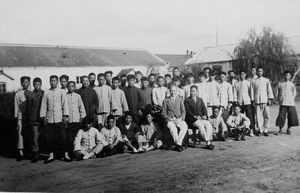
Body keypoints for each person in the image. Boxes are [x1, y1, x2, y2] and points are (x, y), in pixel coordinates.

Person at [40, 75, 69, 163]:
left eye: (55, 81)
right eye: (51, 81)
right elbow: (44, 105)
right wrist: (44, 117)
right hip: (50, 119)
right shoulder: (46, 92)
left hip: (60, 118)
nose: (53, 82)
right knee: (50, 138)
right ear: (50, 82)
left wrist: (65, 116)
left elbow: (65, 104)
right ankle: (51, 155)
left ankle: (65, 154)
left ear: (57, 82)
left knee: (63, 137)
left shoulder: (61, 92)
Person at [184, 85, 215, 149]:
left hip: (201, 119)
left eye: (194, 91)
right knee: (201, 125)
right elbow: (188, 111)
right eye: (191, 91)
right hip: (192, 120)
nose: (193, 93)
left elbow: (204, 109)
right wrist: (195, 116)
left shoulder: (200, 99)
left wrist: (205, 115)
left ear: (197, 92)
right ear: (190, 92)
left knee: (208, 124)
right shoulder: (187, 100)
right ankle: (208, 142)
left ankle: (207, 142)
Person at [162, 84, 188, 152]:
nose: (173, 92)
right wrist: (170, 118)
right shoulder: (165, 100)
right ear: (169, 91)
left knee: (184, 126)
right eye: (171, 91)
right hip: (170, 120)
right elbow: (163, 113)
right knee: (173, 128)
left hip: (178, 119)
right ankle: (179, 144)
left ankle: (178, 144)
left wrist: (180, 119)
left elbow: (183, 111)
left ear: (176, 91)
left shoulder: (180, 99)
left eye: (174, 91)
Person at [66, 81, 86, 160]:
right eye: (69, 86)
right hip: (69, 121)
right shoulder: (65, 96)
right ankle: (71, 154)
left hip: (77, 120)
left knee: (77, 138)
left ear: (74, 87)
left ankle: (78, 153)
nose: (71, 88)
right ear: (67, 87)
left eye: (72, 86)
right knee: (70, 138)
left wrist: (82, 117)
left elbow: (81, 108)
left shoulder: (78, 96)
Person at [251, 67, 274, 136]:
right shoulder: (254, 81)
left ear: (263, 72)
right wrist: (253, 100)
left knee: (266, 115)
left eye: (260, 71)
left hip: (265, 100)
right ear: (256, 72)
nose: (259, 72)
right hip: (257, 101)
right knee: (258, 116)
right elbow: (252, 91)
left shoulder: (266, 80)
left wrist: (269, 99)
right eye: (258, 71)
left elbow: (269, 90)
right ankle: (260, 130)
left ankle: (266, 129)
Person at [275, 70, 299, 135]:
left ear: (290, 76)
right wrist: (277, 99)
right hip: (283, 103)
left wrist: (291, 99)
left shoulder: (292, 85)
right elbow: (277, 92)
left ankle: (288, 129)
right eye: (285, 75)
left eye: (288, 75)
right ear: (283, 76)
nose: (286, 77)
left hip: (290, 103)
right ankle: (280, 129)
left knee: (291, 116)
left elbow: (294, 93)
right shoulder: (280, 84)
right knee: (281, 116)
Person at [27, 77, 44, 163]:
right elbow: (29, 108)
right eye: (35, 84)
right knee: (35, 137)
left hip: (43, 119)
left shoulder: (44, 94)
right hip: (34, 120)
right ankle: (35, 153)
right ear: (33, 85)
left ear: (41, 85)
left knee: (44, 136)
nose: (37, 86)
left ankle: (46, 153)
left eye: (38, 84)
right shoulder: (31, 95)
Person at [14, 76, 31, 161]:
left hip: (29, 117)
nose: (25, 84)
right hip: (21, 116)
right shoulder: (18, 94)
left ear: (29, 83)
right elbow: (17, 106)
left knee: (29, 134)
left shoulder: (31, 93)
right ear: (21, 83)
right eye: (24, 82)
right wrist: (17, 118)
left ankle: (29, 152)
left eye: (27, 82)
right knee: (20, 134)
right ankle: (20, 152)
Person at [233, 70, 255, 136]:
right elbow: (235, 93)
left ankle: (251, 130)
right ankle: (241, 131)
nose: (241, 76)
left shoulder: (248, 83)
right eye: (240, 74)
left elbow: (251, 92)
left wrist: (252, 100)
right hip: (240, 103)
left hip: (247, 102)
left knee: (249, 116)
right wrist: (236, 100)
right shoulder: (236, 84)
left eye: (243, 74)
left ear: (245, 75)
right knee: (240, 117)